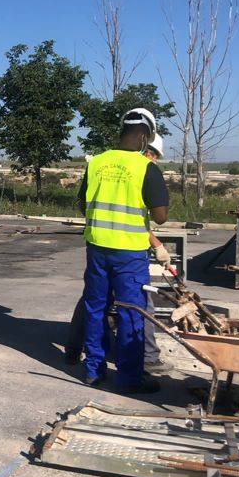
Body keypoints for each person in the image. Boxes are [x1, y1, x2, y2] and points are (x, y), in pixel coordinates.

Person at [77, 108, 169, 394]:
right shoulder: (145, 168)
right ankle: (129, 378)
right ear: (144, 135)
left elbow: (82, 205)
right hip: (129, 253)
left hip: (97, 248)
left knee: (96, 308)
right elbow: (161, 216)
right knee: (131, 311)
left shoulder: (96, 163)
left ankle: (93, 370)